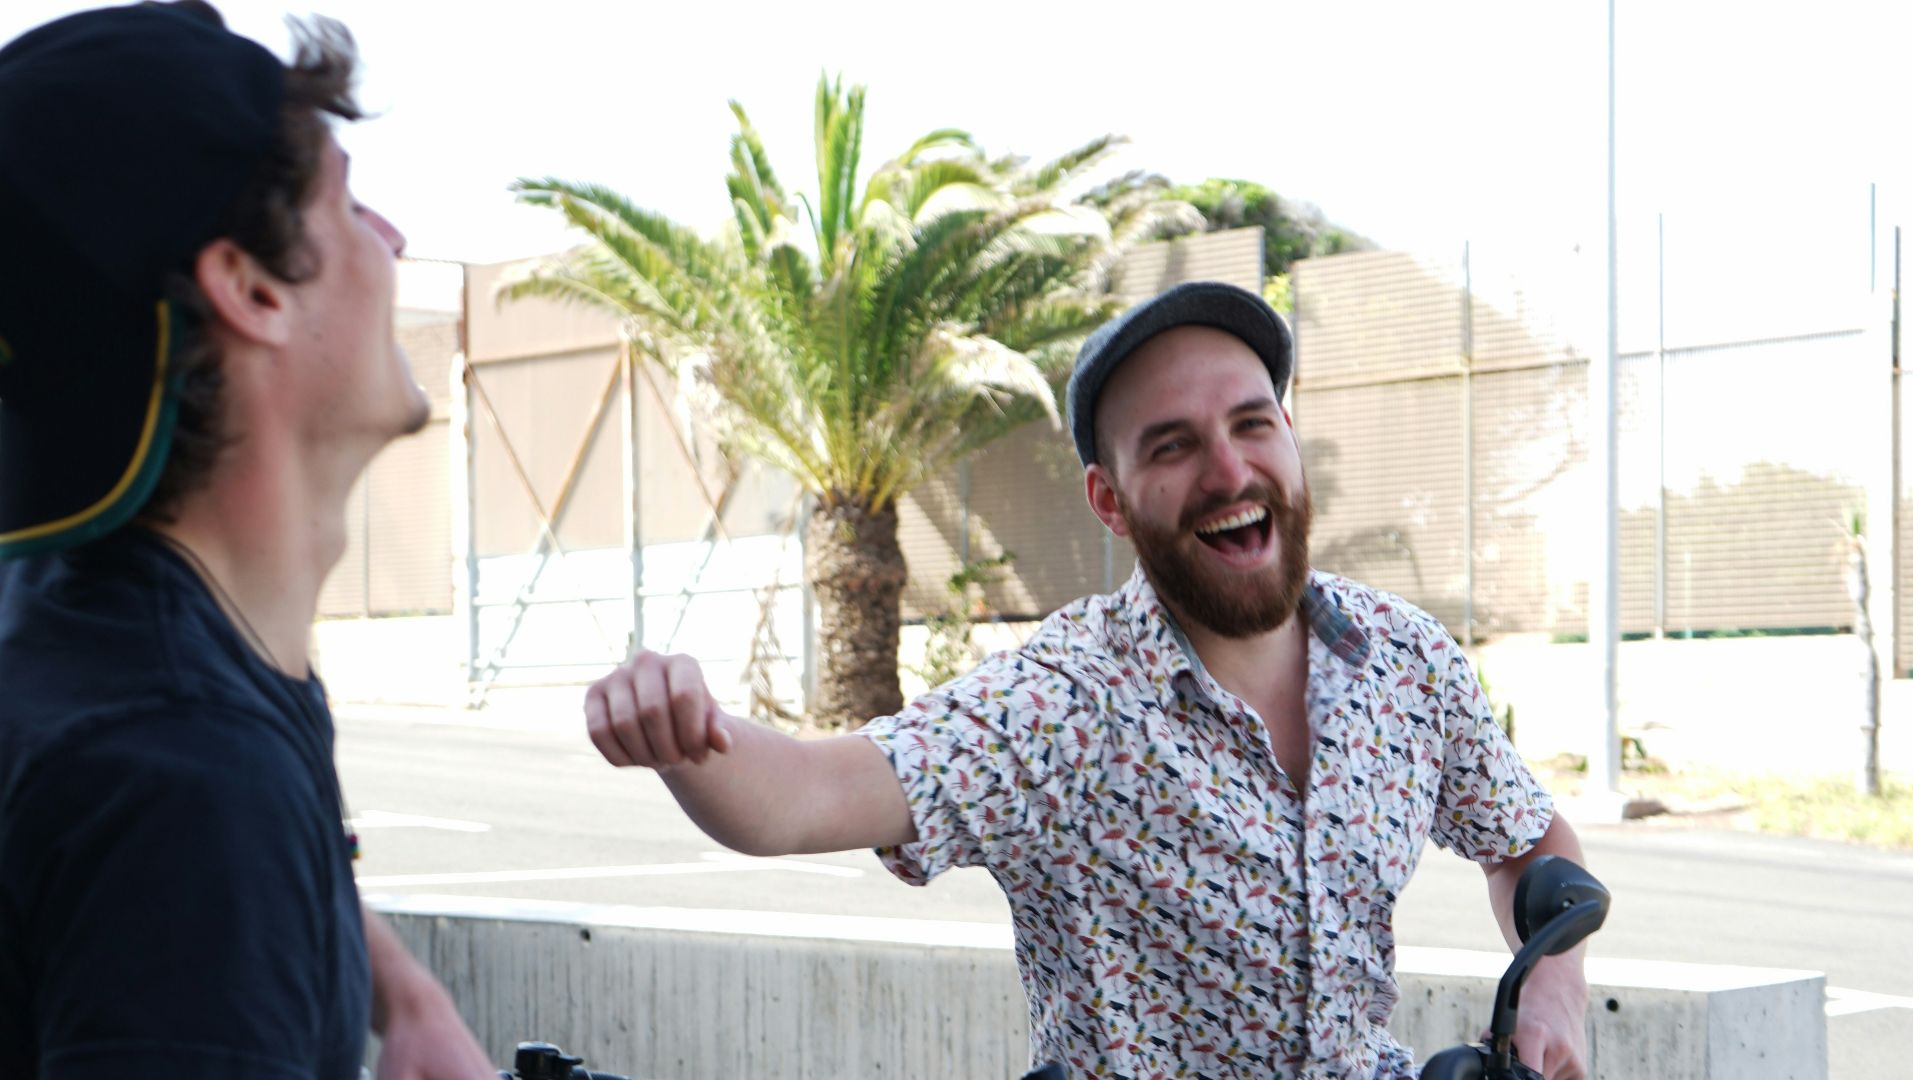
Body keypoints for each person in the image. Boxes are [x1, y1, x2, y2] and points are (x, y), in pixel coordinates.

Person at [583, 281, 1591, 1078]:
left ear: (1291, 442)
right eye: (1174, 446)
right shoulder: (1068, 703)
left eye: (1252, 425)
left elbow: (1529, 842)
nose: (1230, 471)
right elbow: (806, 796)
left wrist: (1550, 998)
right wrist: (687, 733)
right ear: (1110, 502)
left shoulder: (1403, 661)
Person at [0, 4, 496, 1077]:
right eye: (350, 201)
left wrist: (402, 994)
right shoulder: (180, 779)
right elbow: (188, 826)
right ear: (254, 290)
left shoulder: (86, 626)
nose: (394, 237)